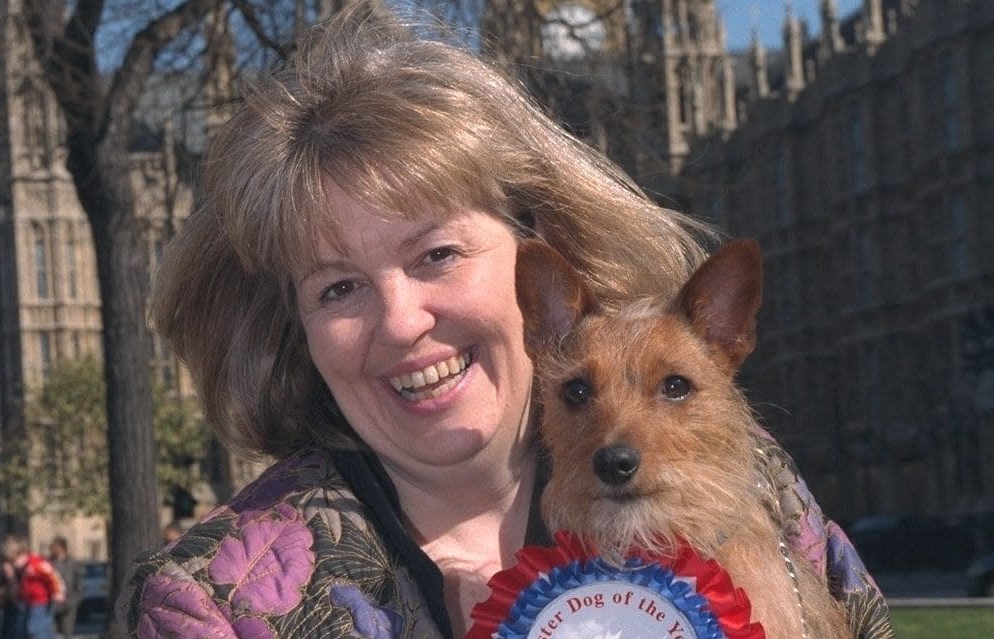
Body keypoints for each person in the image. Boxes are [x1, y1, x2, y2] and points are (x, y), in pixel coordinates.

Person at [119, 2, 894, 638]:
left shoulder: (747, 477)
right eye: (337, 289)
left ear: (539, 254)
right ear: (293, 326)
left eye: (436, 255)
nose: (399, 321)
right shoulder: (214, 605)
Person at [0, 535, 64, 639]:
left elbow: (52, 576)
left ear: (22, 554)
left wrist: (57, 592)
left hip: (41, 602)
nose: (14, 565)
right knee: (26, 628)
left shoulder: (36, 564)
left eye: (14, 561)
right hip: (27, 602)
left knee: (35, 628)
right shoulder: (20, 570)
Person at [47, 537, 81, 639]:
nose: (51, 549)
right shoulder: (49, 563)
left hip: (68, 602)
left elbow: (79, 584)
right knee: (51, 633)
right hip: (53, 603)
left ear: (62, 548)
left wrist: (74, 601)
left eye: (54, 547)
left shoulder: (73, 563)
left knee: (67, 632)